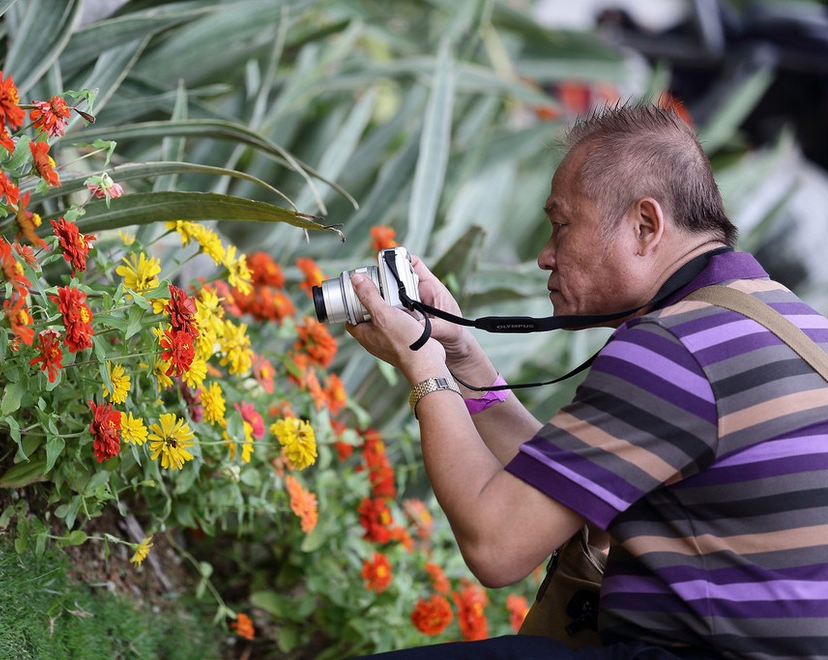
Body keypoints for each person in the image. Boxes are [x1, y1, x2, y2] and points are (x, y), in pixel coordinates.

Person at [346, 103, 828, 659]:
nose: (543, 257)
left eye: (561, 225)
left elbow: (495, 544)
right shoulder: (778, 322)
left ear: (645, 226)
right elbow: (549, 489)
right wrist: (464, 360)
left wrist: (422, 367)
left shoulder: (676, 349)